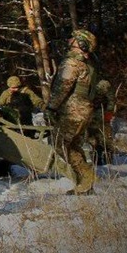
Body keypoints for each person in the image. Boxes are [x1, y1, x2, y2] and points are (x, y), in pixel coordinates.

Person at [46, 29, 99, 195]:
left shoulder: (72, 63)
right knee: (72, 144)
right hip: (82, 111)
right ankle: (84, 183)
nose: (69, 40)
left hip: (73, 111)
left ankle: (87, 176)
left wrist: (51, 107)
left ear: (81, 43)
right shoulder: (86, 64)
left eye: (73, 38)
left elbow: (63, 86)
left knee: (59, 143)